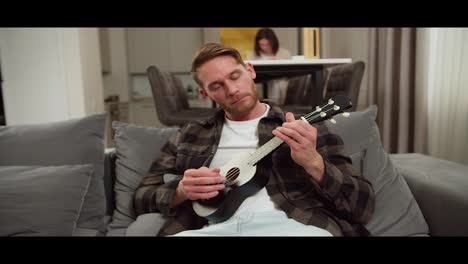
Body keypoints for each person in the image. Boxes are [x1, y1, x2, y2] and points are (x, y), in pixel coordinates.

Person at [133, 43, 375, 236]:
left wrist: (314, 162)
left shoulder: (305, 128)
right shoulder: (190, 134)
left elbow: (362, 205)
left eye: (235, 76)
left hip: (292, 226)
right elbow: (141, 198)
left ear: (250, 70)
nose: (231, 89)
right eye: (217, 85)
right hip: (211, 228)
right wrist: (181, 191)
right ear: (205, 93)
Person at [246, 28, 292, 105]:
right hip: (260, 85)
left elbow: (290, 74)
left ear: (273, 43)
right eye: (262, 45)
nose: (265, 47)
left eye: (268, 44)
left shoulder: (284, 54)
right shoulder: (252, 56)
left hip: (280, 85)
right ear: (258, 44)